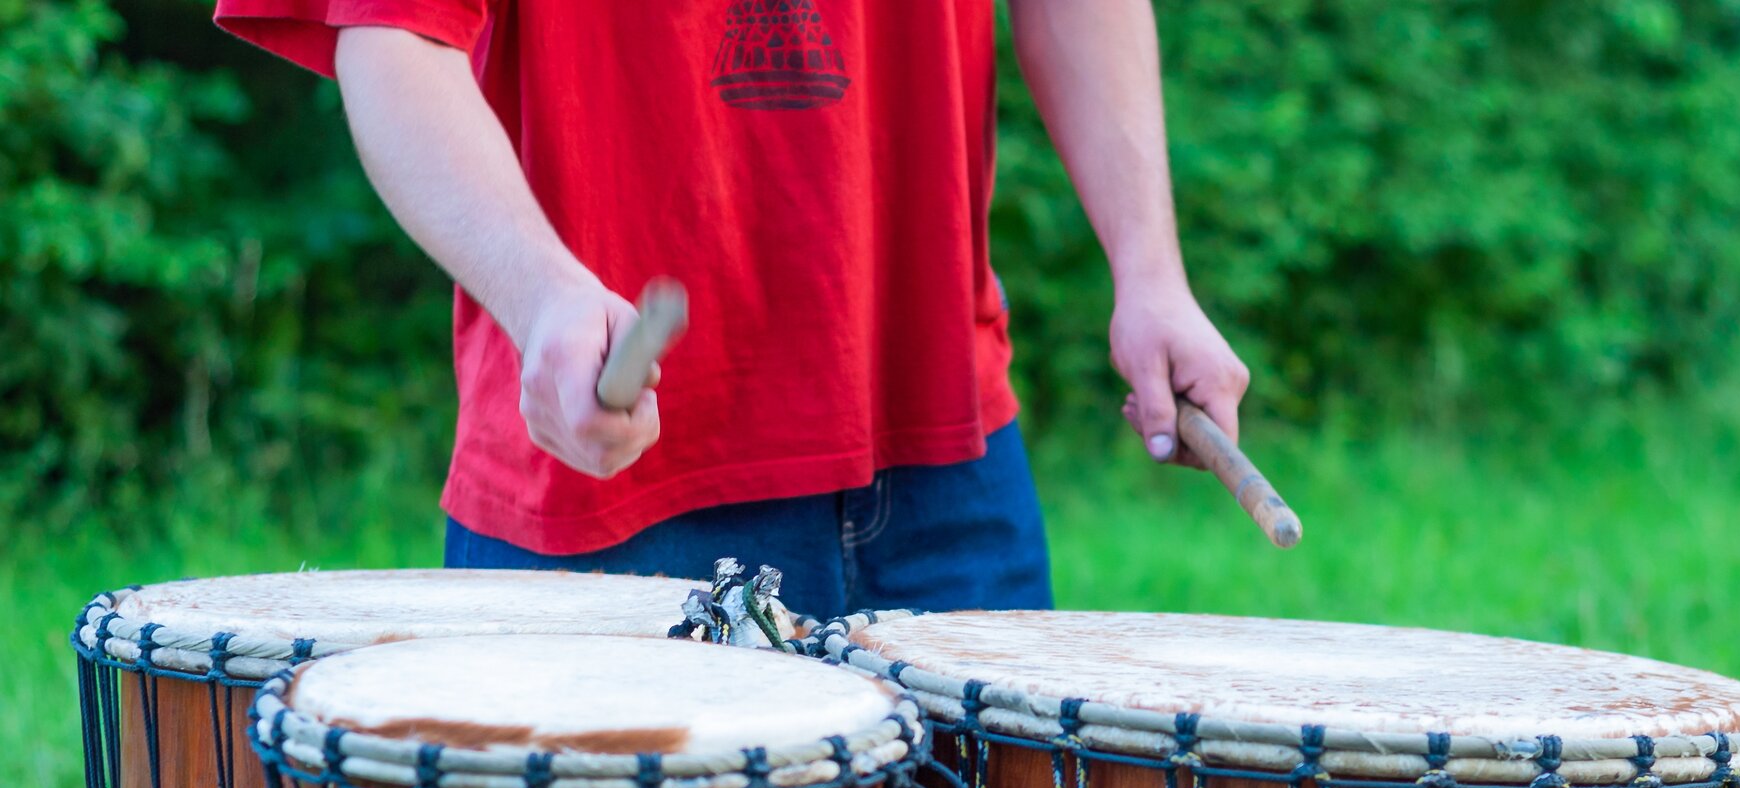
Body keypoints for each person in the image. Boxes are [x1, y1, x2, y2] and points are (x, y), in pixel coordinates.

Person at [213, 0, 1249, 618]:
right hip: (617, 490)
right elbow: (394, 41)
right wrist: (543, 294)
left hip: (946, 469)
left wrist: (1151, 267)